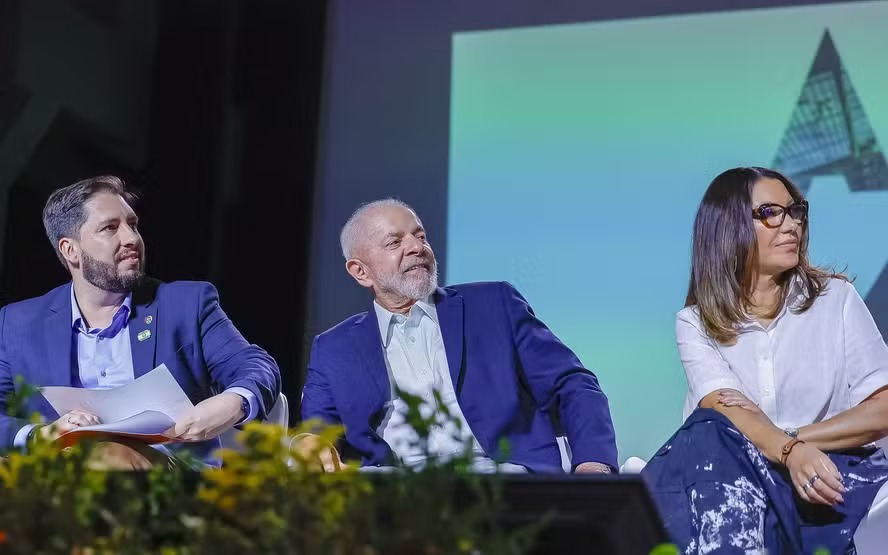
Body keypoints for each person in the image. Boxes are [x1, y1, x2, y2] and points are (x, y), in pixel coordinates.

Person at [643, 167, 888, 553]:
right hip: (728, 478)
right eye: (772, 213)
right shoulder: (695, 322)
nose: (791, 225)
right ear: (728, 228)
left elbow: (883, 409)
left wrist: (792, 442)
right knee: (710, 432)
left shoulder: (836, 300)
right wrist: (782, 450)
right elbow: (726, 414)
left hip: (827, 472)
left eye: (796, 212)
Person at [300, 199, 616, 473]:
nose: (416, 247)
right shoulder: (333, 348)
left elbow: (573, 385)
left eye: (420, 236)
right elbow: (317, 433)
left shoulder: (494, 305)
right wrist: (306, 444)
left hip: (507, 485)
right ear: (360, 271)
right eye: (394, 243)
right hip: (396, 499)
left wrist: (593, 467)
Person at [0, 175, 281, 468]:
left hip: (171, 478)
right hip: (59, 474)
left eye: (132, 224)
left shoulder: (186, 305)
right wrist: (41, 435)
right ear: (71, 250)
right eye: (110, 228)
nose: (131, 238)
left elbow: (255, 364)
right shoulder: (18, 323)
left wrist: (235, 401)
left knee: (106, 457)